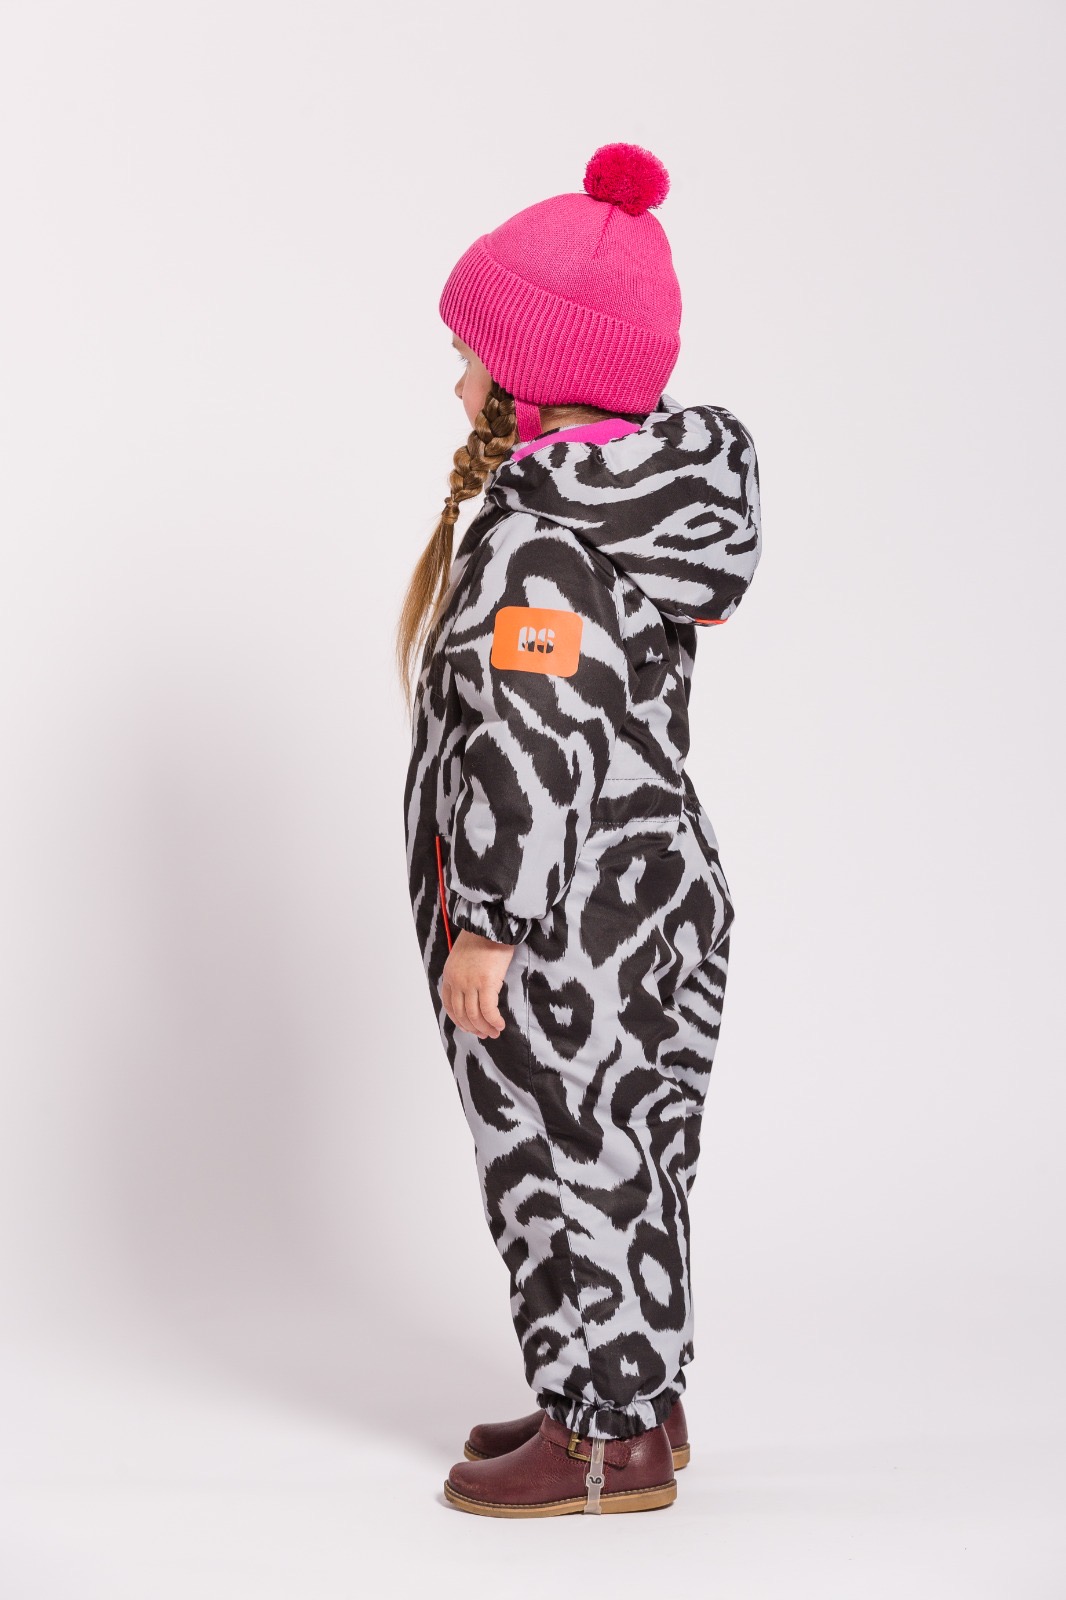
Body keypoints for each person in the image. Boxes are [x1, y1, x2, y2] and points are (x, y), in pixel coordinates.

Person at [395, 142, 762, 1517]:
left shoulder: (535, 543)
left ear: (531, 376)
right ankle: (630, 1398)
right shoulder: (626, 524)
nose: (457, 385)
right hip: (650, 893)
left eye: (468, 358)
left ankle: (603, 1440)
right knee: (631, 1145)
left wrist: (488, 923)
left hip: (567, 915)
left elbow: (526, 740)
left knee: (561, 1151)